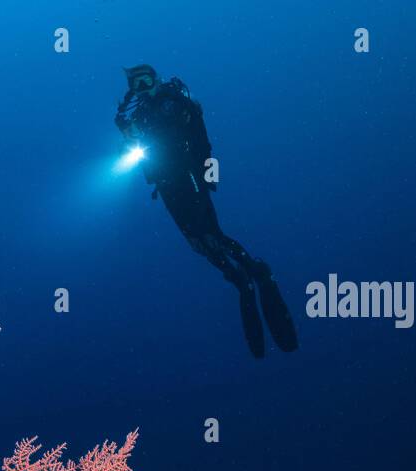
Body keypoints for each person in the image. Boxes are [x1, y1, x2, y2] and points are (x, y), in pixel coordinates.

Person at [116, 64, 298, 357]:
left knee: (212, 233)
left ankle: (256, 272)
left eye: (146, 80)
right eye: (136, 84)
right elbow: (135, 145)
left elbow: (193, 133)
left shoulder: (173, 103)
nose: (143, 88)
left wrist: (204, 173)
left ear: (157, 79)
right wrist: (127, 129)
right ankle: (238, 278)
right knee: (196, 243)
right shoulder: (139, 113)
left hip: (189, 179)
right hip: (166, 185)